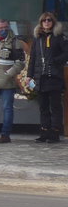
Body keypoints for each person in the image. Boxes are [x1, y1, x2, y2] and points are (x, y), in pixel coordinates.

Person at [25, 11, 66, 143]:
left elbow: (66, 53)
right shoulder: (38, 38)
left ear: (53, 22)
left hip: (53, 76)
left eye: (49, 20)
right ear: (41, 23)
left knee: (55, 106)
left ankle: (55, 132)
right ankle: (44, 131)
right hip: (40, 77)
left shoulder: (59, 37)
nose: (46, 22)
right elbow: (33, 58)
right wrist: (29, 76)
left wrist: (56, 60)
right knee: (43, 106)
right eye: (44, 20)